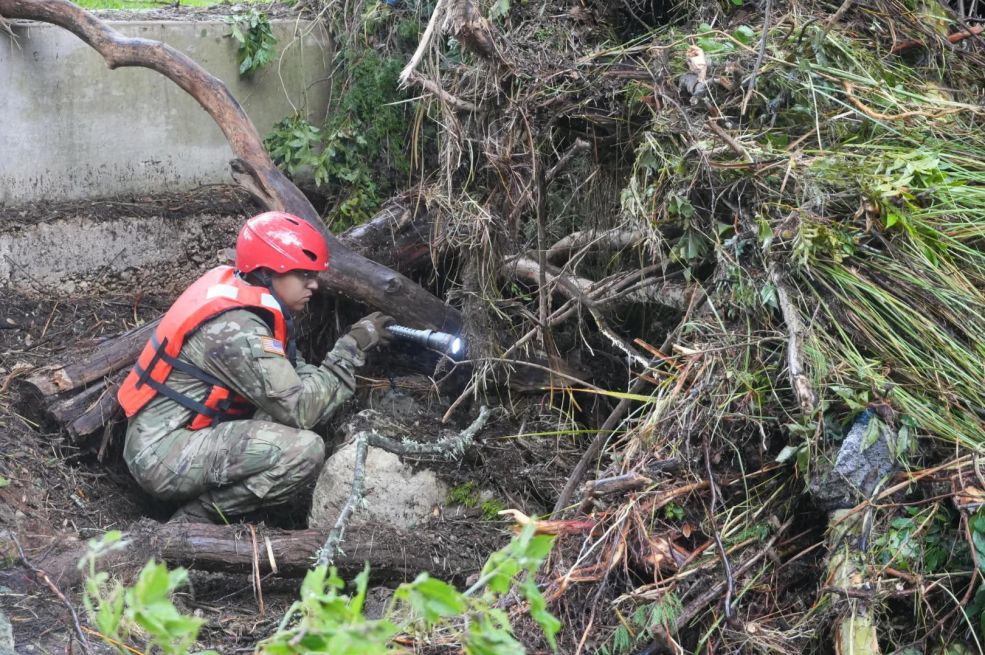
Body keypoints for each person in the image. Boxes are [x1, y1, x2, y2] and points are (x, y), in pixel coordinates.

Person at [117, 211, 393, 523]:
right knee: (304, 451)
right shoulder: (238, 330)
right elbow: (301, 409)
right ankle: (197, 518)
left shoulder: (245, 299)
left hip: (170, 437)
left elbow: (292, 371)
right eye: (303, 275)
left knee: (283, 421)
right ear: (268, 271)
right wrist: (351, 348)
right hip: (162, 457)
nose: (314, 284)